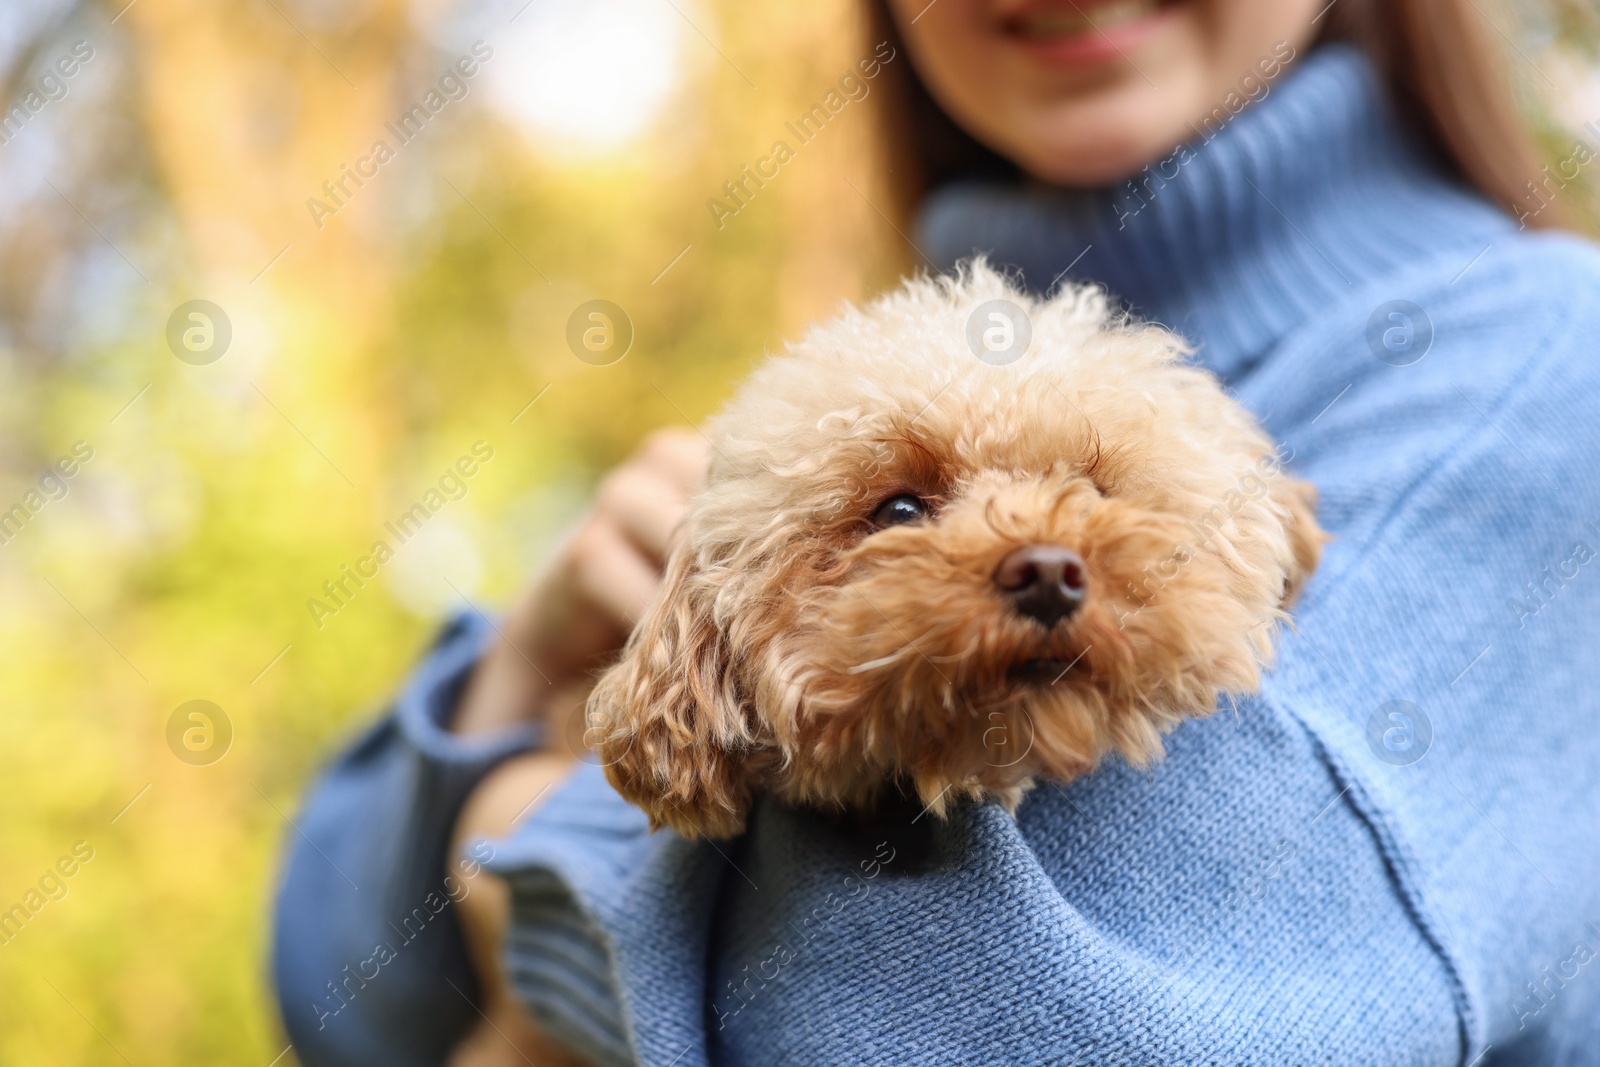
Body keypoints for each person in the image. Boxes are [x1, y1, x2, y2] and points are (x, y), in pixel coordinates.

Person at [273, 0, 1600, 1064]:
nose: (1038, 553)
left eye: (1102, 495)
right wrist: (514, 683)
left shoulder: (1542, 374)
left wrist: (500, 831)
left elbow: (980, 1032)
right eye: (903, 511)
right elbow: (337, 1005)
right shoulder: (847, 373)